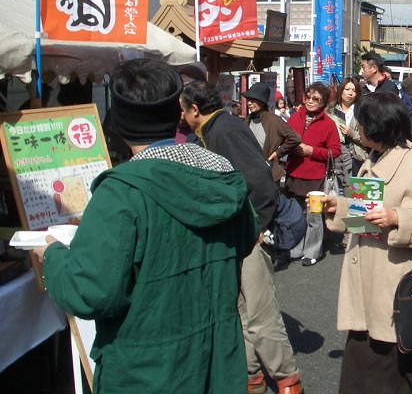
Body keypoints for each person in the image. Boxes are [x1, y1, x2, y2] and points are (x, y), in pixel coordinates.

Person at [34, 60, 257, 393]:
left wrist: (51, 255)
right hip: (217, 361)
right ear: (177, 112)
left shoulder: (120, 192)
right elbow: (246, 238)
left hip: (147, 371)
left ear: (119, 121)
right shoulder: (221, 173)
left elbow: (90, 293)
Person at [322, 92, 412, 394]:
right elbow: (366, 216)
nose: (357, 129)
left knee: (404, 356)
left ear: (377, 127)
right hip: (372, 281)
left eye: (361, 124)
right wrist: (339, 207)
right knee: (377, 354)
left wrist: (398, 218)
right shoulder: (375, 159)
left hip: (397, 286)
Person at [180, 81, 304, 394]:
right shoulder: (216, 129)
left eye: (183, 109)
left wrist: (258, 227)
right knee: (241, 312)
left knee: (260, 314)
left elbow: (258, 182)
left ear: (195, 109)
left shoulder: (224, 130)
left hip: (247, 233)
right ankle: (252, 377)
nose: (180, 116)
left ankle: (288, 380)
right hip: (233, 234)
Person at [285, 82, 341, 266]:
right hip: (294, 173)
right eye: (308, 97)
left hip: (316, 177)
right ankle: (296, 248)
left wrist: (312, 151)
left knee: (314, 217)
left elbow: (335, 151)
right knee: (295, 215)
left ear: (323, 102)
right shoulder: (294, 118)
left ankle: (312, 251)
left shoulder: (329, 124)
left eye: (315, 99)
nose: (310, 101)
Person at [243, 82, 302, 185]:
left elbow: (295, 138)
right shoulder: (246, 121)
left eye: (253, 100)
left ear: (262, 101)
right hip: (249, 175)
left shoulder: (274, 120)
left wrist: (278, 153)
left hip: (269, 176)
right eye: (248, 99)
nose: (249, 103)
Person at [328, 77, 369, 180]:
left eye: (354, 90)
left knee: (351, 189)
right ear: (341, 90)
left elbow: (367, 139)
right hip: (334, 154)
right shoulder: (330, 110)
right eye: (347, 89)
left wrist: (352, 133)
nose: (350, 93)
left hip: (354, 157)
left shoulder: (361, 111)